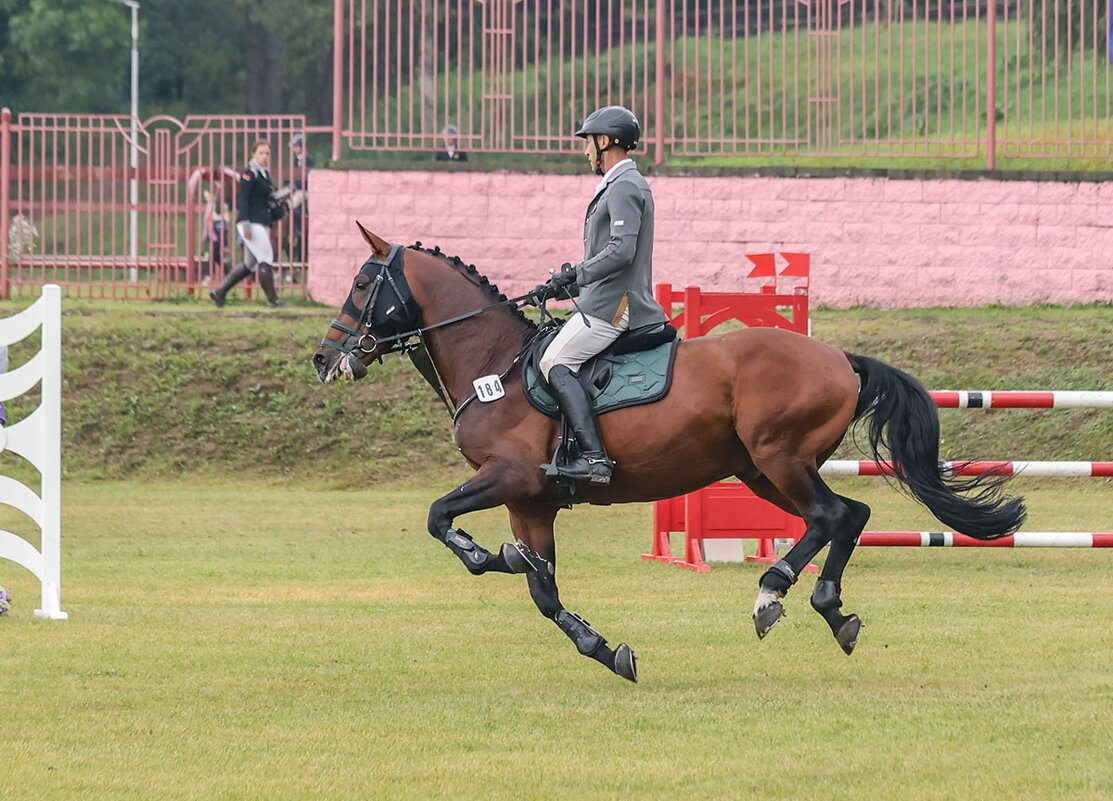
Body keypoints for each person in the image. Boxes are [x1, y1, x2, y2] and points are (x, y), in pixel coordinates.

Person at [530, 105, 668, 486]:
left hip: (617, 305)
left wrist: (578, 273)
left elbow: (622, 251)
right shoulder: (617, 185)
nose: (586, 151)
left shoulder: (624, 186)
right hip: (602, 296)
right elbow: (604, 255)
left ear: (605, 141)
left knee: (555, 361)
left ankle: (594, 458)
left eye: (588, 143)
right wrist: (567, 284)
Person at [209, 140, 284, 308]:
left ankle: (219, 292)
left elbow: (264, 200)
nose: (265, 156)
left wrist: (277, 204)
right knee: (266, 258)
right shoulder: (250, 174)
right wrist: (246, 224)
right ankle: (273, 300)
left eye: (267, 153)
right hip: (251, 223)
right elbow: (242, 200)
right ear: (254, 154)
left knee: (250, 264)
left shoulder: (264, 174)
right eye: (261, 153)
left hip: (260, 221)